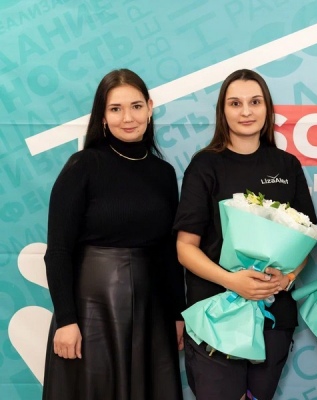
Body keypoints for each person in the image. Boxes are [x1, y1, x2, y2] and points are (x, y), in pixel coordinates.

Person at [173, 68, 317, 400]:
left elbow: (306, 238)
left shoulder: (287, 165)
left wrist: (287, 279)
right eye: (235, 103)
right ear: (222, 111)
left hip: (273, 317)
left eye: (255, 102)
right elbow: (185, 248)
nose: (246, 111)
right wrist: (232, 281)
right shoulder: (205, 166)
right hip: (215, 315)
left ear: (267, 108)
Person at [43, 69, 185, 400]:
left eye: (136, 106)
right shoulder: (82, 166)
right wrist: (66, 320)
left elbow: (168, 251)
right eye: (116, 109)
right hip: (91, 311)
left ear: (150, 107)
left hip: (153, 311)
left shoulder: (164, 173)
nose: (128, 118)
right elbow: (58, 251)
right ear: (103, 116)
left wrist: (178, 314)